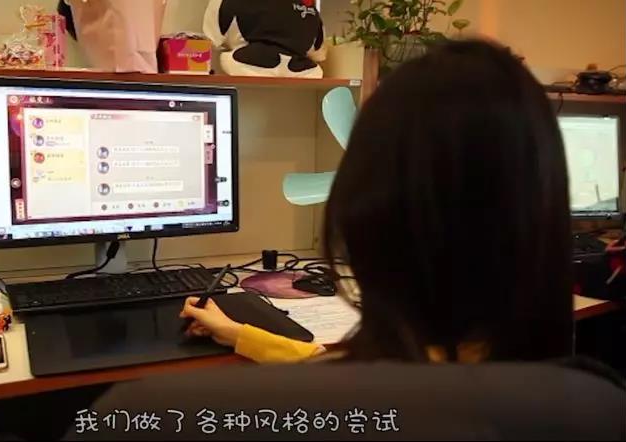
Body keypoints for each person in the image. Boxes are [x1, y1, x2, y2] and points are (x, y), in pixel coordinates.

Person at [180, 38, 575, 364]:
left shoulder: (366, 395)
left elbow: (337, 381)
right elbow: (329, 368)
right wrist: (239, 334)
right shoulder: (575, 394)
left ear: (371, 216)